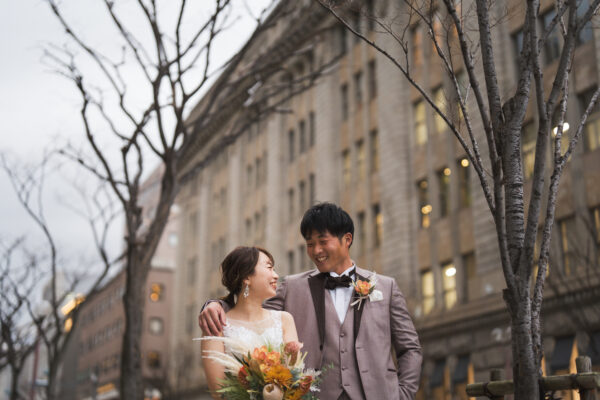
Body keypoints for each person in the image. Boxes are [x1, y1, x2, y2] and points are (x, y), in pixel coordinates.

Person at [200, 203, 422, 400]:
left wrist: (402, 394)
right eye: (310, 244)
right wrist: (215, 305)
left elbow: (410, 348)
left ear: (347, 239)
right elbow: (248, 310)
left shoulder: (386, 287)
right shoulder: (291, 287)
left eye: (323, 242)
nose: (316, 251)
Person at [200, 246, 299, 399]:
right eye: (269, 268)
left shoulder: (285, 320)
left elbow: (295, 378)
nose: (276, 275)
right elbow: (218, 392)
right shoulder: (216, 325)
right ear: (246, 277)